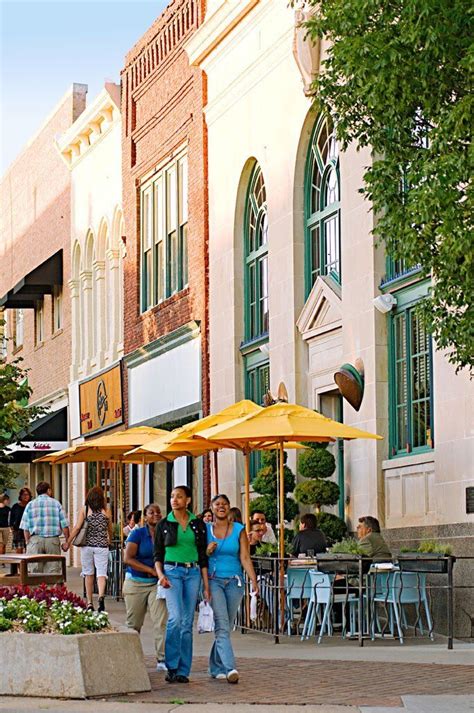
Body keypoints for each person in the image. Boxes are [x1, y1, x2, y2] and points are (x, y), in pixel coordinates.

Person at [154, 485, 209, 684]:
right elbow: (157, 554)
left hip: (193, 572)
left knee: (187, 622)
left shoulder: (197, 524)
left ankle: (183, 670)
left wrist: (206, 585)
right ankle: (172, 665)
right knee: (175, 618)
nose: (174, 500)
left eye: (179, 497)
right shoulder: (164, 524)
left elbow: (203, 556)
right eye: (172, 496)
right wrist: (160, 575)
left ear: (188, 500)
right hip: (172, 572)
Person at [206, 494, 258, 684]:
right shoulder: (206, 530)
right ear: (212, 508)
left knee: (225, 626)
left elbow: (245, 556)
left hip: (234, 581)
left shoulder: (239, 529)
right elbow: (199, 556)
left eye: (225, 504)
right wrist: (207, 551)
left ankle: (214, 666)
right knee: (221, 624)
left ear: (229, 508)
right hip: (214, 581)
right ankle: (230, 668)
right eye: (217, 504)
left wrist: (253, 579)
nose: (221, 507)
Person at [123, 503, 168, 671]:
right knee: (134, 623)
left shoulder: (165, 533)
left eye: (158, 512)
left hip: (158, 584)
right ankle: (130, 658)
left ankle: (162, 659)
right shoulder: (137, 534)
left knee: (161, 621)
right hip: (137, 582)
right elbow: (128, 558)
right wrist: (150, 570)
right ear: (145, 516)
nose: (156, 514)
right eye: (151, 512)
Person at [63, 486, 111, 612]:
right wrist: (109, 538)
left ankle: (89, 602)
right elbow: (109, 527)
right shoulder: (106, 510)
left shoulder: (85, 509)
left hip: (87, 546)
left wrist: (68, 542)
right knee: (101, 574)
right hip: (102, 546)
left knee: (88, 574)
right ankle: (101, 596)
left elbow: (77, 528)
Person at [20, 481, 69, 573]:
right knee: (53, 570)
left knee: (35, 570)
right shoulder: (56, 504)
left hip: (35, 540)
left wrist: (28, 541)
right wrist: (67, 541)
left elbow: (25, 527)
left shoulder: (30, 505)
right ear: (48, 490)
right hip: (52, 540)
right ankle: (52, 587)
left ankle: (37, 587)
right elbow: (64, 525)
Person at [9, 487, 32, 553]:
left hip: (29, 531)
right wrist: (11, 527)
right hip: (18, 531)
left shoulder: (31, 506)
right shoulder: (15, 506)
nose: (25, 496)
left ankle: (27, 563)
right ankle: (19, 563)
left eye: (27, 494)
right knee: (19, 551)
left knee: (29, 550)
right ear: (20, 496)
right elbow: (11, 518)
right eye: (24, 495)